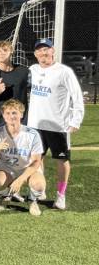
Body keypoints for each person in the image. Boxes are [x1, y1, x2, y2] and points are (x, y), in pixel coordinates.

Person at [27, 38, 84, 210]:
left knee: (62, 160)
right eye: (39, 50)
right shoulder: (32, 70)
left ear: (53, 51)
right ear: (35, 54)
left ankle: (61, 195)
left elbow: (77, 96)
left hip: (58, 126)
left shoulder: (63, 71)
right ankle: (40, 188)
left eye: (46, 49)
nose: (43, 53)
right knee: (37, 158)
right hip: (35, 125)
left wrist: (76, 119)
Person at [0, 99, 46, 216]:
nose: (11, 116)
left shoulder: (32, 134)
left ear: (21, 114)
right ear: (3, 116)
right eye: (8, 113)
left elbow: (36, 161)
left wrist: (21, 179)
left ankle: (32, 200)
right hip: (8, 168)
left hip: (28, 167)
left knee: (39, 185)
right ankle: (7, 194)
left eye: (14, 113)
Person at [0, 40, 30, 129]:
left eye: (5, 50)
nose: (2, 53)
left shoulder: (24, 71)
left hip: (21, 124)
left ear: (11, 52)